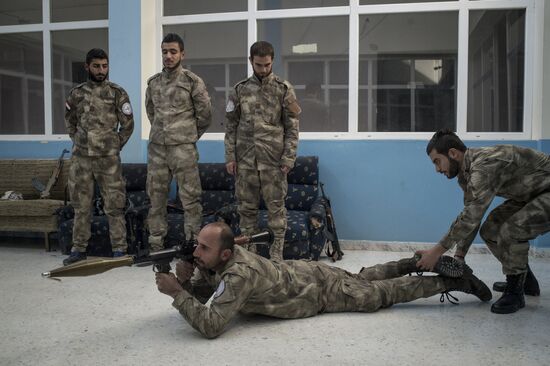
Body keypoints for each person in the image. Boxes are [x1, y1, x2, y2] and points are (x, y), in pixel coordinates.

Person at [155, 222, 492, 339]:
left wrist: (176, 292)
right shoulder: (227, 261)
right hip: (307, 273)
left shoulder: (239, 273)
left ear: (225, 254)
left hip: (316, 290)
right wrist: (190, 283)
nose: (197, 251)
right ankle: (414, 260)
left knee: (376, 295)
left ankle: (451, 282)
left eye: (203, 247)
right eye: (197, 245)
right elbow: (215, 292)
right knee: (360, 277)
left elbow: (212, 324)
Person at [418, 129, 544, 314]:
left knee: (512, 229)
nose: (437, 169)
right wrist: (459, 256)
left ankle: (515, 292)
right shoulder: (464, 175)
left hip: (546, 191)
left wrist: (436, 252)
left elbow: (471, 216)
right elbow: (472, 217)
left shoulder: (483, 165)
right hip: (530, 195)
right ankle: (525, 281)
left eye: (437, 161)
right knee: (491, 230)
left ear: (453, 153)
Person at [224, 41, 300, 260]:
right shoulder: (239, 90)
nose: (264, 69)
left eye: (267, 65)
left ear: (272, 61)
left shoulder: (283, 89)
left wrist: (289, 157)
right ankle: (251, 260)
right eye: (259, 65)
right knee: (246, 213)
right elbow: (230, 126)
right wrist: (230, 156)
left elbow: (292, 128)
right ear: (251, 61)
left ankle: (276, 260)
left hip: (274, 163)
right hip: (246, 162)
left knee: (276, 212)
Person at [63, 48, 134, 266]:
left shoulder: (117, 92)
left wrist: (114, 145)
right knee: (81, 205)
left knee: (114, 204)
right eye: (96, 66)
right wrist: (79, 142)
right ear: (87, 67)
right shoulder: (76, 93)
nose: (101, 70)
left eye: (104, 66)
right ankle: (79, 249)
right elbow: (70, 122)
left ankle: (119, 249)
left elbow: (128, 124)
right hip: (82, 159)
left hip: (109, 160)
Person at [145, 33, 212, 252]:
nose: (168, 56)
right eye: (165, 51)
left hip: (183, 149)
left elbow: (205, 116)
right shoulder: (153, 83)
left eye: (173, 51)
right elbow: (151, 112)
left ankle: (193, 245)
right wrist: (163, 133)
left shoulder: (192, 81)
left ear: (182, 54)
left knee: (190, 199)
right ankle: (156, 244)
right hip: (157, 150)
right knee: (156, 198)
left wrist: (187, 135)